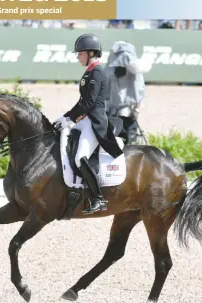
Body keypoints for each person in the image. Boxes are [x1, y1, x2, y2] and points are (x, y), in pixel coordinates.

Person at [53, 33, 123, 214]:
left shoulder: (97, 72)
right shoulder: (90, 71)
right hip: (84, 120)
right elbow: (81, 102)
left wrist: (71, 119)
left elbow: (89, 104)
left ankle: (98, 199)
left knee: (79, 158)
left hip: (94, 123)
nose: (78, 57)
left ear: (91, 53)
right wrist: (65, 117)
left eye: (80, 53)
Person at [105, 41, 151, 145]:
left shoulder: (135, 72)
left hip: (126, 112)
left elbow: (139, 90)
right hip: (113, 112)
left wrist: (137, 109)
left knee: (127, 141)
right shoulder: (109, 70)